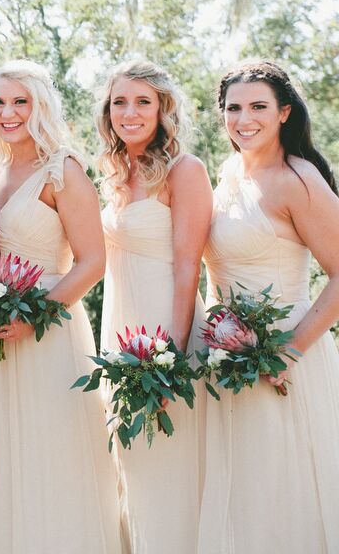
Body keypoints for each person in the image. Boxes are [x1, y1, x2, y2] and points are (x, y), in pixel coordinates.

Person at [198, 61, 339, 553]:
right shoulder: (227, 174)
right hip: (226, 360)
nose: (244, 119)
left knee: (282, 495)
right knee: (243, 497)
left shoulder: (296, 178)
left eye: (258, 107)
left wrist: (289, 351)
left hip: (285, 359)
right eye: (233, 108)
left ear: (283, 113)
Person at [0, 61, 120, 554]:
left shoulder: (63, 169)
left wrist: (31, 313)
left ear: (41, 105)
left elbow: (92, 262)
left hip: (49, 329)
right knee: (10, 457)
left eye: (20, 101)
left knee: (53, 454)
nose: (8, 112)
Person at [95, 62, 210, 552]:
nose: (130, 112)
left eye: (143, 101)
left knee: (175, 458)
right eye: (120, 101)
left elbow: (189, 267)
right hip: (121, 325)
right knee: (133, 463)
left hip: (169, 329)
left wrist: (176, 358)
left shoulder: (186, 171)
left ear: (164, 109)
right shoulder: (114, 171)